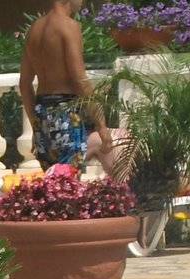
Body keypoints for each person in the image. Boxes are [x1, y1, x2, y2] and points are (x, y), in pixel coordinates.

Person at [19, 1, 115, 172]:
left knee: (54, 182)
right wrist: (101, 125)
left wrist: (36, 124)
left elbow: (24, 84)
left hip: (42, 113)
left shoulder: (34, 29)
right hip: (66, 112)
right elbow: (79, 80)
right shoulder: (68, 26)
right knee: (69, 180)